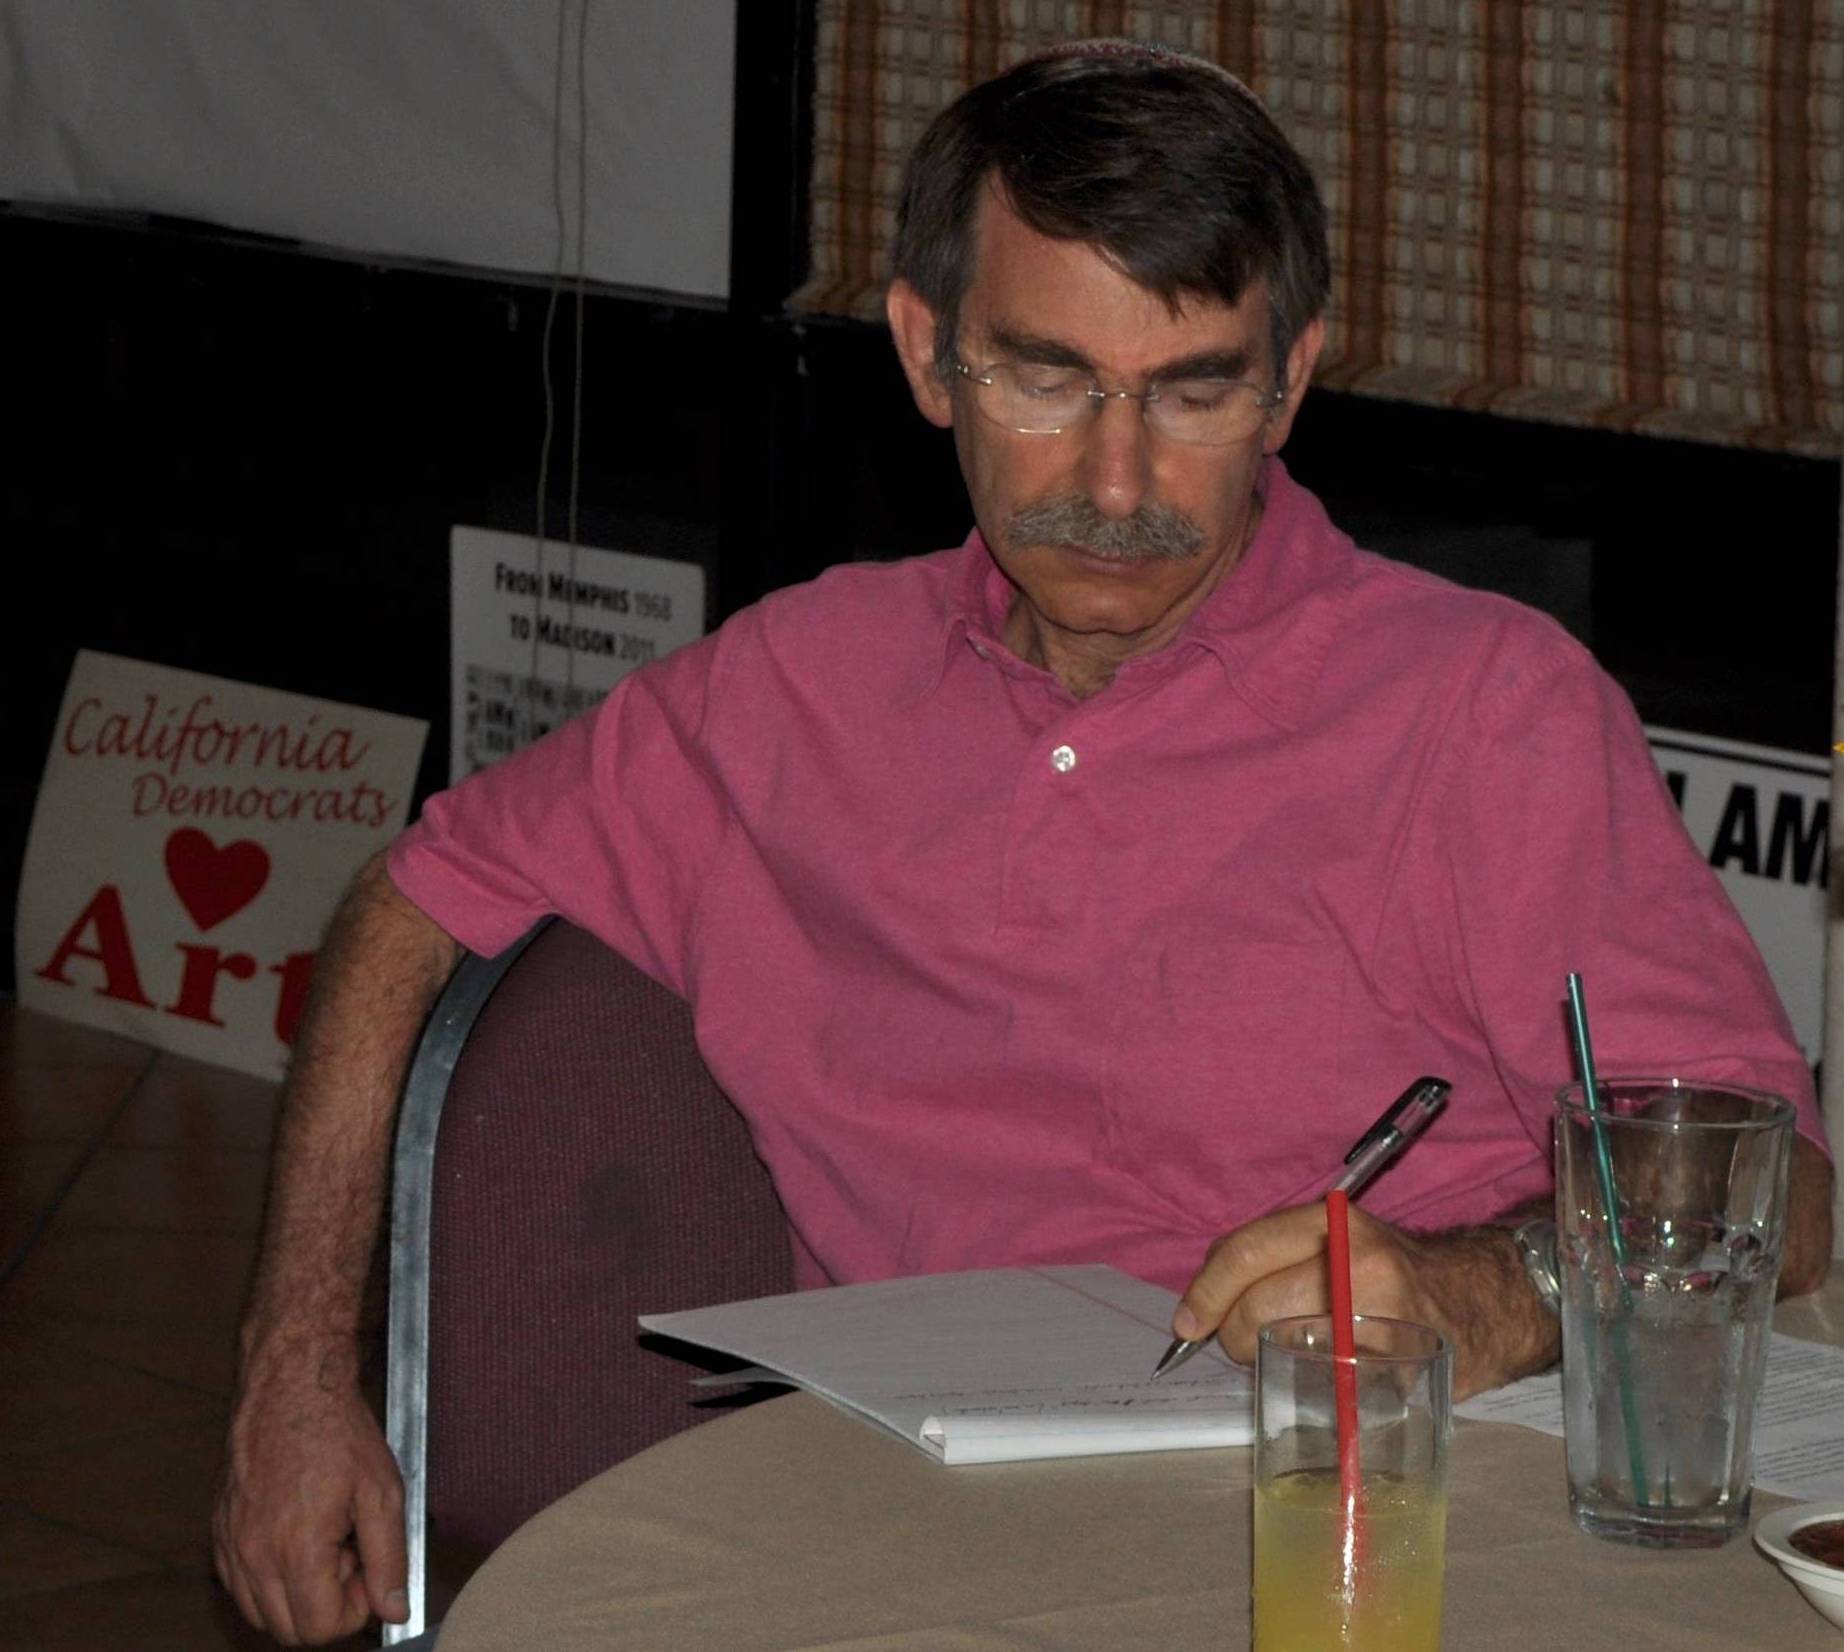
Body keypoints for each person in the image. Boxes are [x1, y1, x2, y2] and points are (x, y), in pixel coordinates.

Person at [213, 41, 1834, 1646]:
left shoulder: (1484, 710)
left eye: (1194, 391)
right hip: (916, 1545)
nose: (1116, 484)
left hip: (1398, 1524)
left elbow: (1783, 1200)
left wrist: (1489, 1291)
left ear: (1290, 382)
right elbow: (412, 902)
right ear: (929, 355)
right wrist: (292, 1381)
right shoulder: (786, 694)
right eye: (1048, 381)